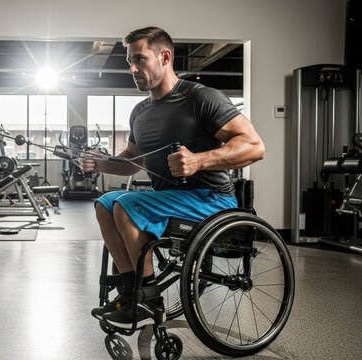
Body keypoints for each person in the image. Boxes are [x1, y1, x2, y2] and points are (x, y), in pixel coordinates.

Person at [80, 26, 266, 330]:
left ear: (165, 57)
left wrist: (199, 160)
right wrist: (100, 165)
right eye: (129, 61)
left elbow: (255, 146)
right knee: (105, 203)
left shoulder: (201, 98)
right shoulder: (140, 112)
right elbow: (132, 162)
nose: (132, 68)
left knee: (127, 205)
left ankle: (148, 300)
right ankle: (131, 294)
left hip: (211, 201)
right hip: (168, 201)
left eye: (139, 59)